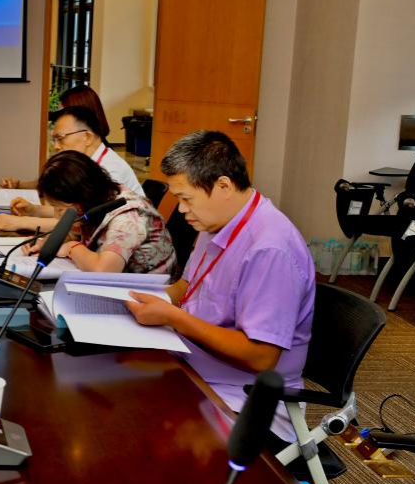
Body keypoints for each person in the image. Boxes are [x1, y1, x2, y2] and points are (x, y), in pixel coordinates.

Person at [123, 131, 314, 442]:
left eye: (186, 198)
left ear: (224, 186)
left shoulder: (270, 250)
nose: (181, 210)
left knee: (137, 430)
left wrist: (174, 317)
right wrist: (131, 300)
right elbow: (188, 287)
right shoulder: (217, 222)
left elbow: (261, 357)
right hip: (193, 366)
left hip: (244, 397)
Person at [0, 105, 146, 234]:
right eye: (54, 140)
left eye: (61, 138)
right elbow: (77, 211)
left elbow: (81, 224)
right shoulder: (87, 165)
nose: (56, 146)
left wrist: (20, 222)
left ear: (87, 137)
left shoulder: (109, 170)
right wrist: (34, 210)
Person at [25, 151, 174, 275]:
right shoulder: (101, 197)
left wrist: (71, 248)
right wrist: (50, 245)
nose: (57, 216)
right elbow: (79, 235)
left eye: (59, 209)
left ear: (81, 197)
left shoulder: (128, 217)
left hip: (149, 294)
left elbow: (104, 270)